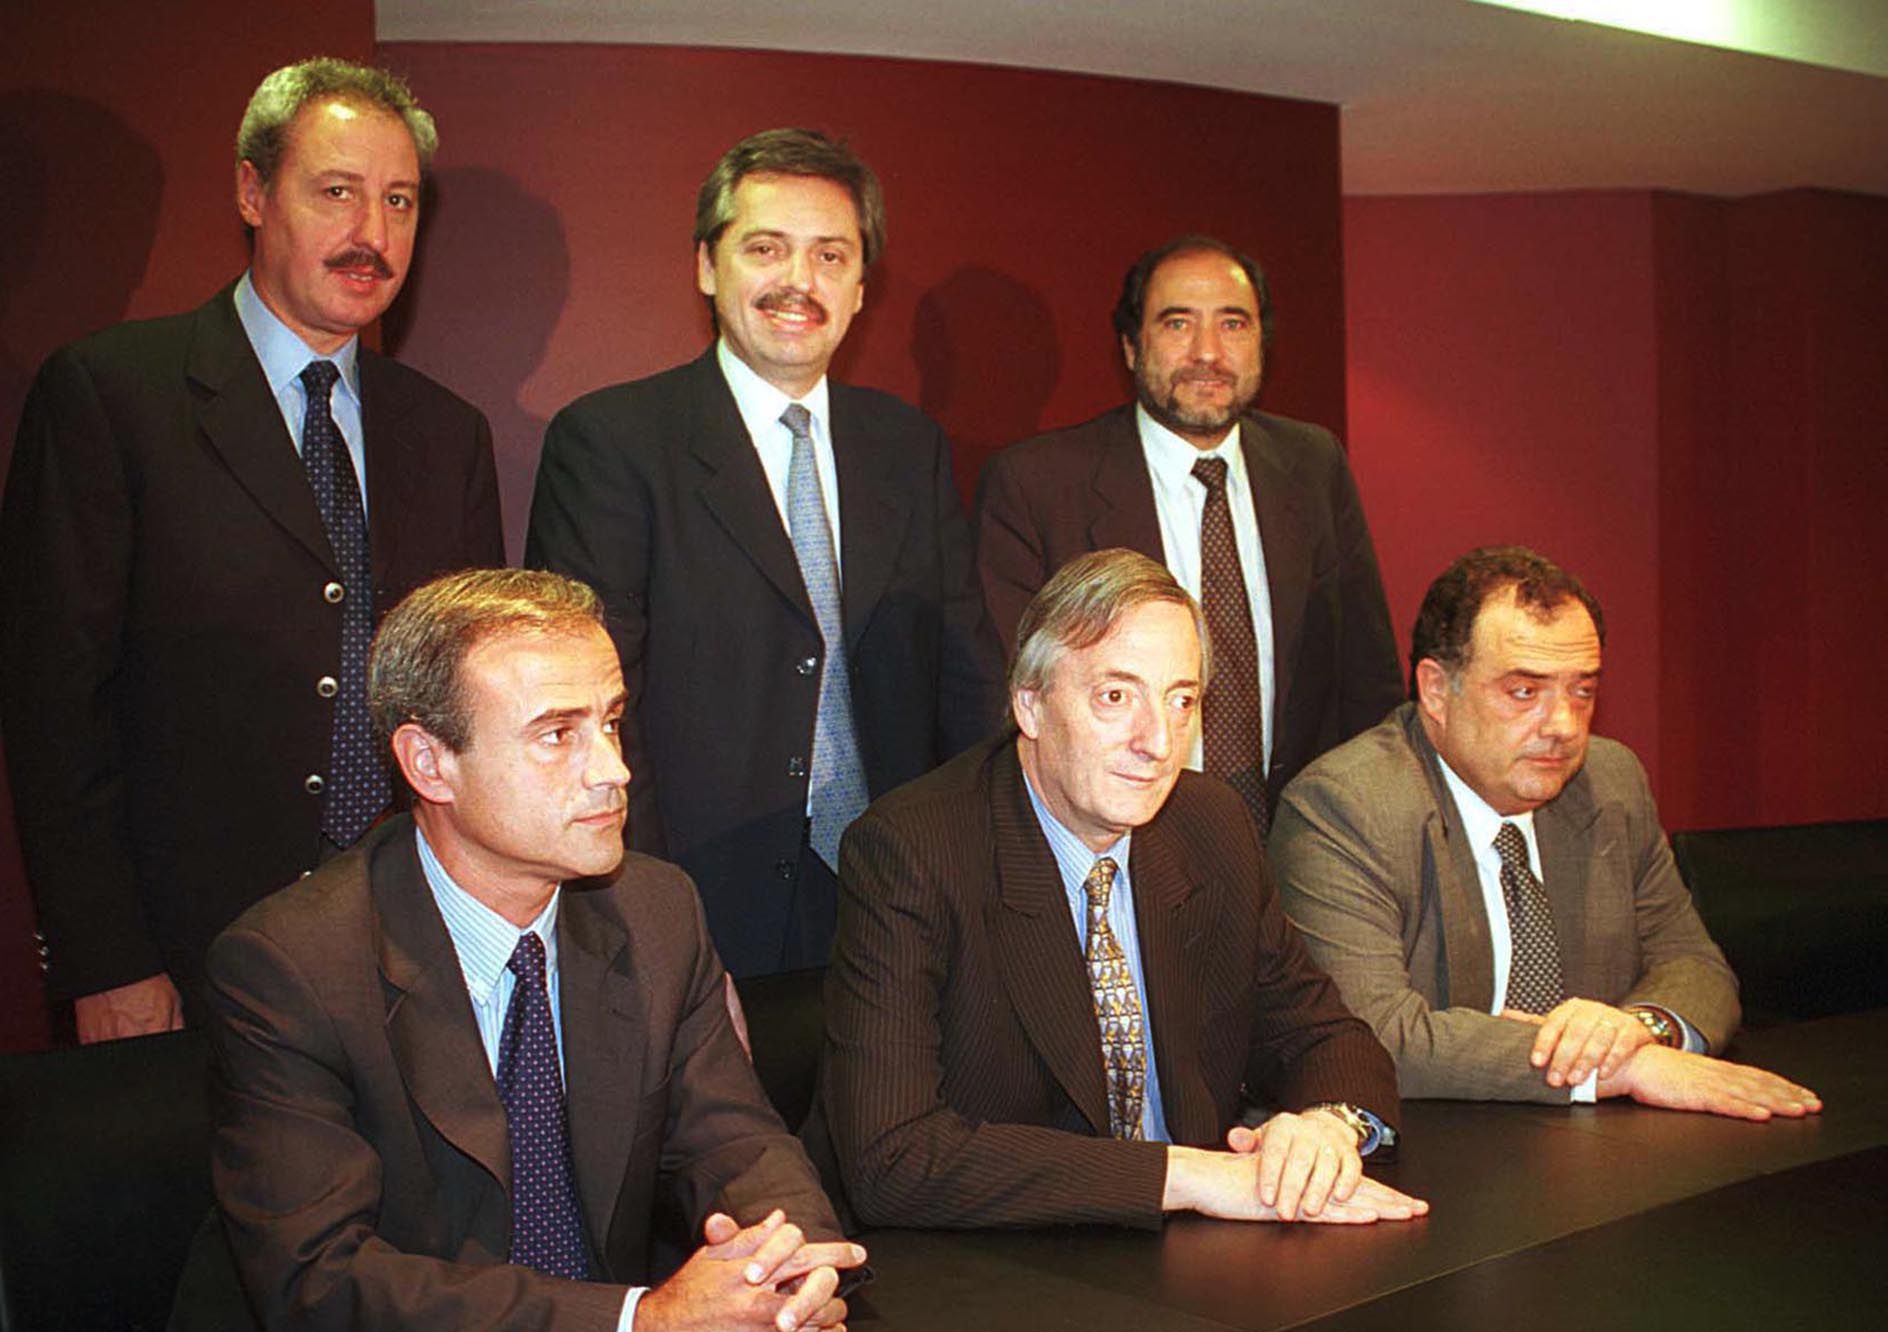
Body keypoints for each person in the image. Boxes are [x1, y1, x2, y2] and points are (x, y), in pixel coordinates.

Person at [158, 569, 863, 1332]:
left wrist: (789, 1270)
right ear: (430, 763)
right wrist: (636, 1331)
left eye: (610, 722)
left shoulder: (656, 909)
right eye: (557, 735)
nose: (613, 770)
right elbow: (323, 1286)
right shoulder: (290, 964)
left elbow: (734, 1144)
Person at [0, 58, 503, 1042]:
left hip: (410, 963)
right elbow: (56, 709)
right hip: (183, 960)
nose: (372, 233)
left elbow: (462, 704)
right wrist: (108, 958)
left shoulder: (449, 435)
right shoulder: (112, 396)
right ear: (251, 192)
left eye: (399, 201)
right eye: (337, 192)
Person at [822, 549, 1427, 1230]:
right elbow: (894, 1158)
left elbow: (1325, 1036)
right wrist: (1191, 1176)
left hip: (1198, 1252)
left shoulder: (1211, 825)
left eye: (1182, 701)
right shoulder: (914, 852)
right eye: (1116, 697)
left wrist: (1325, 1128)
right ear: (1030, 704)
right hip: (1000, 1260)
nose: (1159, 742)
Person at [526, 127, 1000, 979]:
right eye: (766, 249)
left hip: (896, 899)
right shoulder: (612, 442)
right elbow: (588, 699)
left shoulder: (908, 447)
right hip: (695, 901)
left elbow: (964, 674)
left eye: (830, 255)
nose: (799, 282)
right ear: (707, 267)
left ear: (861, 287)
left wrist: (978, 879)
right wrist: (647, 917)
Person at [1269, 546, 1822, 1118]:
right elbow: (1370, 1033)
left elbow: (1696, 966)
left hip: (1595, 1142)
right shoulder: (1345, 805)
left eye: (1582, 691)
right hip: (1430, 1142)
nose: (1563, 726)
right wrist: (1620, 1067)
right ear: (1435, 690)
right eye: (1524, 692)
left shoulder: (1610, 782)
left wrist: (1639, 1027)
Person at [973, 234, 1400, 832]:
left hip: (1299, 839)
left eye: (1233, 324)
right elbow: (1008, 699)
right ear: (1131, 346)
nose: (1208, 352)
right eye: (1177, 323)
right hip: (1115, 836)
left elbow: (1366, 677)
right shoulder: (1038, 485)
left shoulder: (1313, 465)